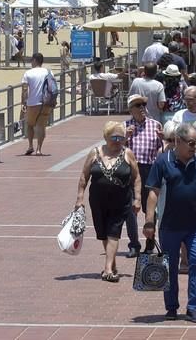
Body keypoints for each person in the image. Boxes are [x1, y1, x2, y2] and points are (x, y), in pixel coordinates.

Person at [143, 123, 196, 323]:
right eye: (192, 143)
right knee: (170, 267)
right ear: (178, 142)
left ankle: (193, 308)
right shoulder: (162, 161)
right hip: (169, 225)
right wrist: (149, 221)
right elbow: (153, 193)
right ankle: (171, 307)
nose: (195, 146)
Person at [74, 121, 141, 282]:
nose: (118, 140)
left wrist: (137, 198)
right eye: (114, 137)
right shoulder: (95, 153)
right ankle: (112, 262)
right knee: (103, 233)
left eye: (121, 137)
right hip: (98, 200)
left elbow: (137, 177)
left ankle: (108, 269)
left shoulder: (128, 154)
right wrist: (80, 198)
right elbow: (84, 176)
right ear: (105, 137)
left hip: (121, 201)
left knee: (114, 232)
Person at [123, 94, 163, 257]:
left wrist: (163, 140)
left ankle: (150, 242)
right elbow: (115, 149)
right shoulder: (124, 126)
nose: (142, 108)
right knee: (130, 209)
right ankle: (134, 244)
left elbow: (164, 149)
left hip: (150, 169)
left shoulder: (155, 125)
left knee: (150, 209)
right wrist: (124, 137)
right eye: (137, 105)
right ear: (130, 109)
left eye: (143, 105)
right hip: (130, 170)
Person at [21, 53, 57, 156]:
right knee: (41, 126)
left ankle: (30, 146)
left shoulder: (28, 73)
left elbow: (24, 90)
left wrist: (23, 102)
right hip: (46, 102)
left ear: (35, 60)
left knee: (30, 125)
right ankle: (39, 149)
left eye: (31, 60)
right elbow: (53, 87)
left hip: (32, 103)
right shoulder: (49, 72)